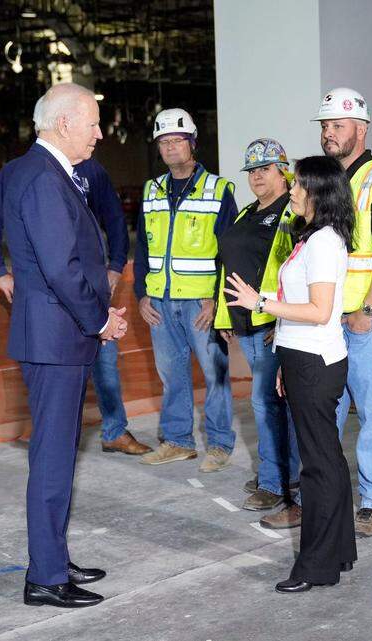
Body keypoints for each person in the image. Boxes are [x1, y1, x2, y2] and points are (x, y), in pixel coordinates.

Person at [0, 83, 127, 607]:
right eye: (93, 123)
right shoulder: (43, 177)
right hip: (56, 339)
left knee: (58, 455)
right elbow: (61, 268)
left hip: (58, 336)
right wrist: (101, 320)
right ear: (64, 124)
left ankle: (53, 557)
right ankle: (44, 576)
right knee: (53, 459)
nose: (99, 133)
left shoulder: (37, 170)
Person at [225, 155, 357, 593]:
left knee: (317, 467)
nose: (292, 190)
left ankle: (316, 567)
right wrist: (285, 360)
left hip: (315, 362)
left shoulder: (323, 243)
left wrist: (259, 303)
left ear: (318, 192)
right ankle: (338, 552)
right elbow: (303, 305)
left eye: (298, 184)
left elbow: (319, 311)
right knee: (327, 460)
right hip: (304, 360)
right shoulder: (313, 236)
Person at [0, 133, 151, 456]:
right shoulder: (20, 173)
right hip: (54, 302)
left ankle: (113, 430)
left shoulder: (91, 170)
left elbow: (114, 218)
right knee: (53, 380)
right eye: (90, 125)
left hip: (89, 293)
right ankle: (50, 431)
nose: (96, 135)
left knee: (104, 364)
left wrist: (115, 266)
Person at [314, 87, 372, 537]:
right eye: (325, 126)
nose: (328, 134)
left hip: (369, 318)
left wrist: (367, 311)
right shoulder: (328, 185)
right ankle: (326, 495)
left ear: (361, 129)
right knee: (327, 411)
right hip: (330, 319)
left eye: (337, 126)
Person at [134, 108, 238, 473]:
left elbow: (231, 251)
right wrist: (141, 294)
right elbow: (142, 249)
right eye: (164, 142)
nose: (170, 147)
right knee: (172, 376)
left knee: (216, 376)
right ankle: (178, 441)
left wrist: (219, 301)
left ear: (192, 143)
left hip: (201, 303)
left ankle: (220, 444)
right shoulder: (151, 190)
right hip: (160, 303)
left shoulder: (218, 190)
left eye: (177, 140)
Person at [214, 138, 302, 515]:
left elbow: (296, 272)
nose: (257, 176)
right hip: (247, 324)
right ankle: (283, 472)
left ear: (283, 172)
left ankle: (275, 482)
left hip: (271, 323)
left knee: (266, 402)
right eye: (252, 171)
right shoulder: (249, 211)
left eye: (265, 169)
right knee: (272, 403)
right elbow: (230, 265)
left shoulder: (292, 213)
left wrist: (283, 319)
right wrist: (225, 317)